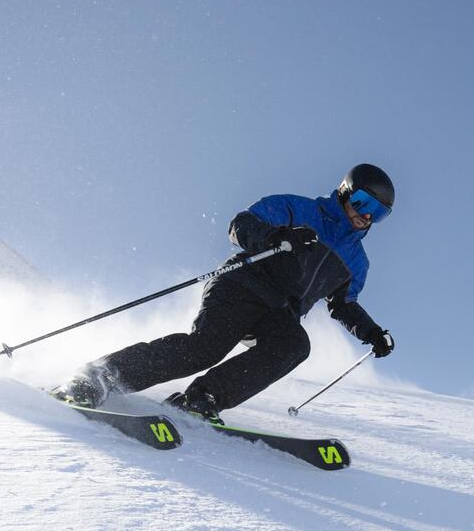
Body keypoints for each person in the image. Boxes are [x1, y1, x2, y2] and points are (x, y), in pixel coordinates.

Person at [52, 164, 397, 423]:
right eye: (363, 201)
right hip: (243, 283)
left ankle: (202, 399)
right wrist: (277, 236)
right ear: (344, 192)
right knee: (204, 349)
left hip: (279, 311)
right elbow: (241, 224)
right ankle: (101, 375)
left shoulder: (356, 261)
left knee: (294, 345)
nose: (366, 215)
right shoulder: (297, 209)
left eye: (378, 212)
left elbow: (343, 304)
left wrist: (372, 333)